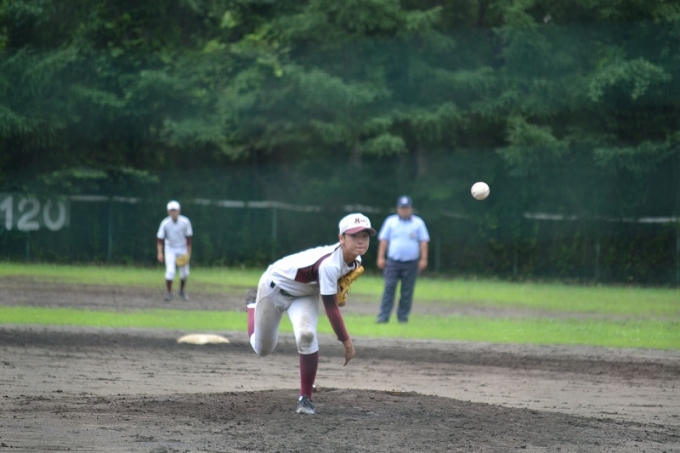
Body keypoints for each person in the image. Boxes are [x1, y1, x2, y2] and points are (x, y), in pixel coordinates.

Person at [246, 213, 376, 415]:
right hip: (274, 289)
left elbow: (337, 299)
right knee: (262, 349)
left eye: (365, 236)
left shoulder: (356, 259)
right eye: (354, 235)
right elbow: (331, 308)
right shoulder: (329, 264)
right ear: (341, 238)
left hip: (305, 293)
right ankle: (252, 306)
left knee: (307, 335)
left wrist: (340, 293)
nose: (361, 240)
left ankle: (305, 398)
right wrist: (347, 342)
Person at [376, 195, 430, 324]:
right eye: (402, 208)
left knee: (407, 291)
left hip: (411, 263)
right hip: (393, 262)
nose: (404, 210)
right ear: (398, 208)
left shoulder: (418, 223)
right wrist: (380, 257)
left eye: (407, 208)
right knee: (389, 289)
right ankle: (383, 317)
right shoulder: (391, 222)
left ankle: (403, 317)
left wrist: (424, 259)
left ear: (411, 209)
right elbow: (384, 240)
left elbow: (423, 242)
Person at [156, 200, 193, 301]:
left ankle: (181, 291)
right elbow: (160, 239)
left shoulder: (185, 222)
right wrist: (160, 253)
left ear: (179, 211)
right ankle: (169, 293)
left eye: (175, 210)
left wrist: (188, 252)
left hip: (182, 248)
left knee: (185, 273)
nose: (173, 212)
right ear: (168, 212)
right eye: (171, 210)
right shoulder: (165, 223)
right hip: (170, 248)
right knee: (170, 271)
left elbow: (188, 238)